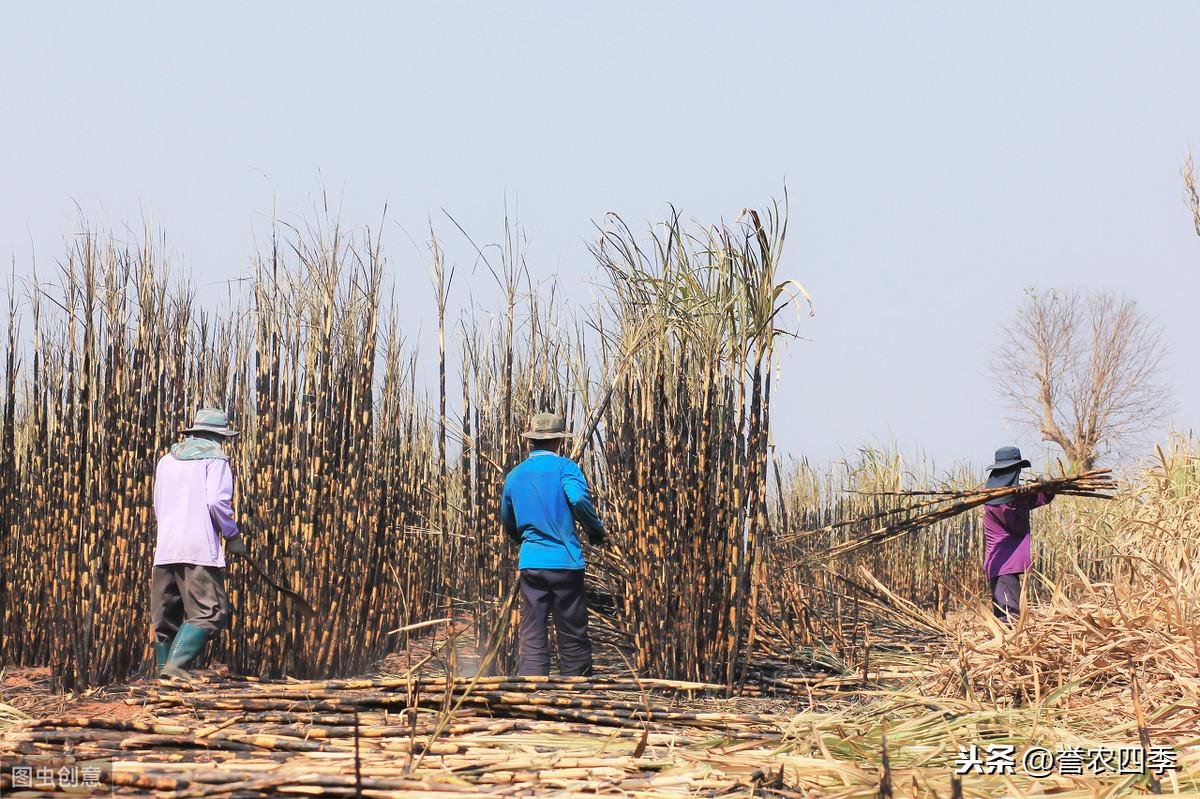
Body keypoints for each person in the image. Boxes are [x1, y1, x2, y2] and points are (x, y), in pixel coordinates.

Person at [501, 412, 607, 676]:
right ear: (559, 440)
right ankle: (577, 689)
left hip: (532, 563)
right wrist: (595, 530)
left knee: (532, 627)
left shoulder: (514, 475)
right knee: (571, 628)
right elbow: (579, 500)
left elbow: (507, 518)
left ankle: (532, 688)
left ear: (532, 441)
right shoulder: (565, 468)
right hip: (565, 562)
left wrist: (522, 540)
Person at [151, 408, 246, 679]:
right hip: (199, 550)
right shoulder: (215, 460)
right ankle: (174, 669)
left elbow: (158, 503)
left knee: (165, 617)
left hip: (166, 548)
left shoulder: (166, 461)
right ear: (218, 437)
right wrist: (232, 535)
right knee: (209, 612)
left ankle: (164, 678)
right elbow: (217, 501)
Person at [982, 445, 1054, 624]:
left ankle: (1006, 649)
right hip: (1003, 566)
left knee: (1006, 615)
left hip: (1002, 567)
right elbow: (1018, 527)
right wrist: (1020, 500)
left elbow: (1041, 498)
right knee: (1010, 617)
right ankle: (1010, 649)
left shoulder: (1011, 498)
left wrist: (1047, 487)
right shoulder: (998, 502)